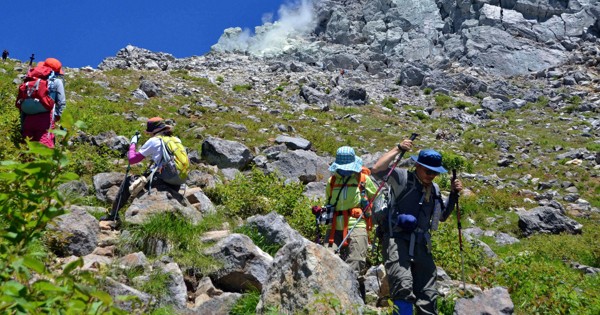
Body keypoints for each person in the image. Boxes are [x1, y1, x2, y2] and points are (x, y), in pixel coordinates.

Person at [371, 141, 463, 315]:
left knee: (428, 293)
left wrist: (453, 195)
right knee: (403, 284)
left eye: (435, 172)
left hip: (422, 244)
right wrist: (397, 148)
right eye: (428, 171)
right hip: (397, 240)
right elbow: (377, 169)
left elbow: (441, 216)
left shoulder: (434, 189)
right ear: (417, 166)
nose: (431, 175)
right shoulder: (402, 178)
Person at [325, 146, 377, 274]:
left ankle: (351, 287)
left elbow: (376, 198)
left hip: (357, 224)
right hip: (334, 228)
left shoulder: (363, 179)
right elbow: (328, 202)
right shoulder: (332, 181)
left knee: (356, 260)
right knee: (326, 260)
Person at [19, 57, 66, 148]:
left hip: (28, 119)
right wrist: (58, 118)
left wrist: (23, 124)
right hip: (45, 120)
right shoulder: (56, 81)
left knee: (27, 150)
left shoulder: (30, 80)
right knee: (45, 151)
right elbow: (61, 103)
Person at [127, 117, 185, 189]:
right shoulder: (176, 139)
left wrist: (133, 143)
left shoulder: (154, 140)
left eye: (150, 133)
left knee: (129, 181)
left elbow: (132, 159)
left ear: (153, 132)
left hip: (163, 179)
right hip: (178, 179)